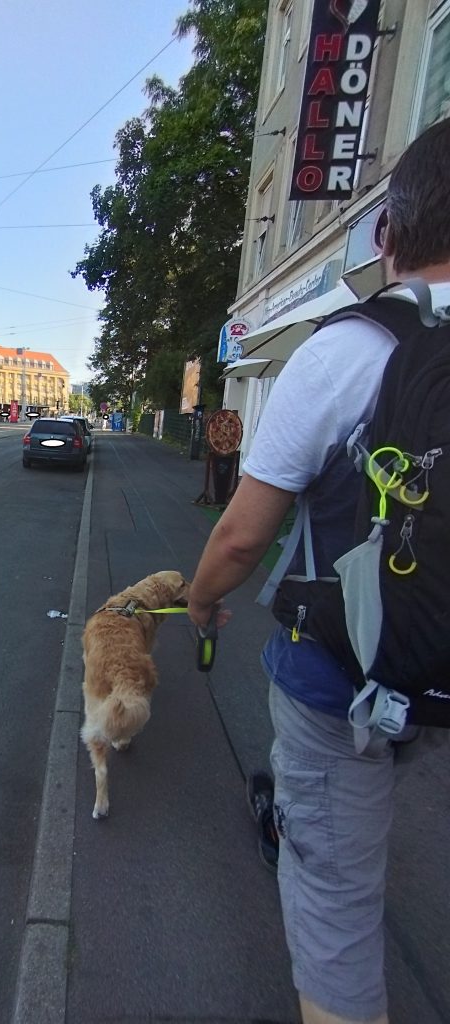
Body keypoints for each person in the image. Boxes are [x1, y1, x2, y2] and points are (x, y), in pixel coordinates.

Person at [187, 118, 450, 1024]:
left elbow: (240, 539)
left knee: (336, 901)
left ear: (388, 237)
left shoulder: (346, 351)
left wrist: (203, 601)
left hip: (341, 677)